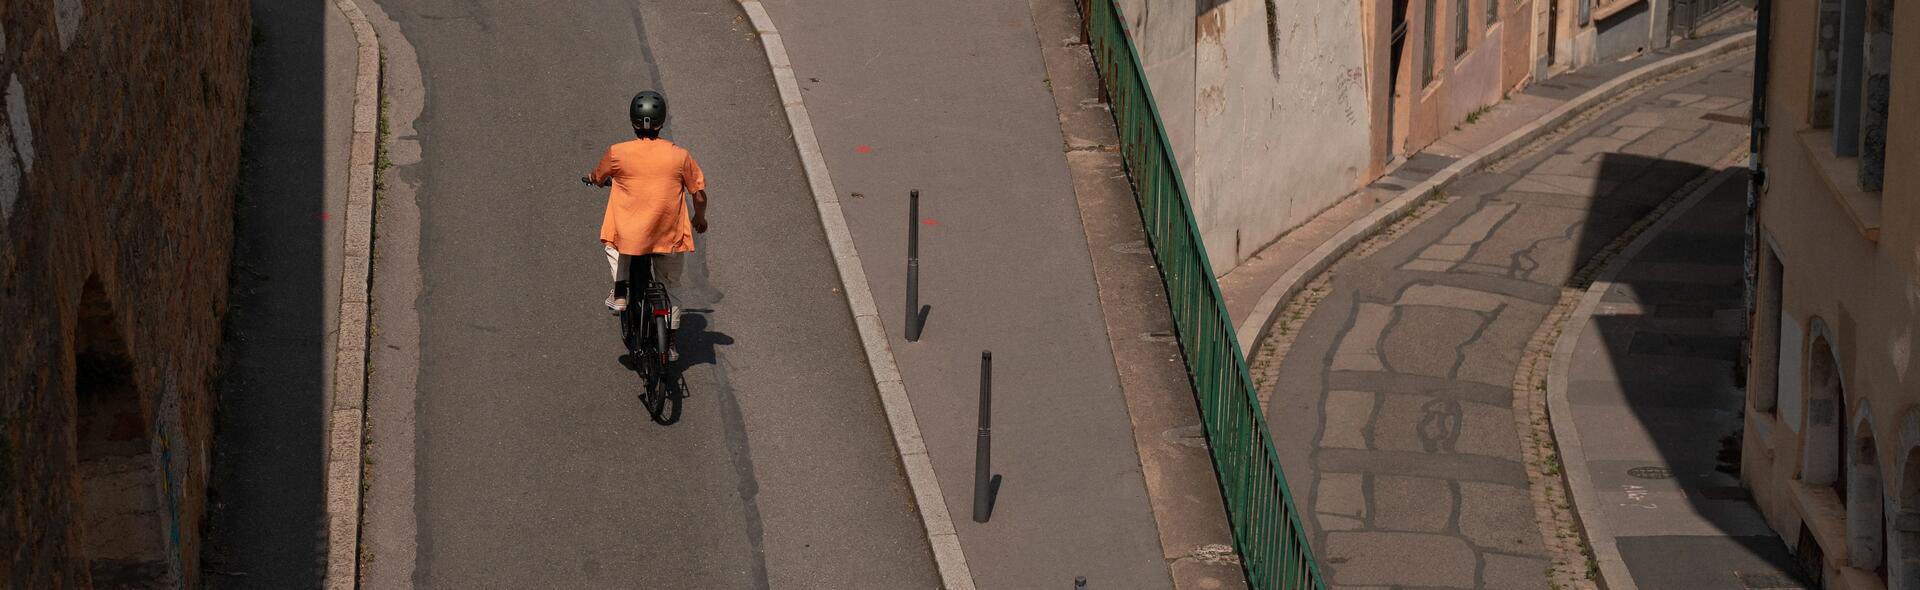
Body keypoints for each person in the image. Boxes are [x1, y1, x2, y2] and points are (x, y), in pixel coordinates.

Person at [582, 90, 708, 348]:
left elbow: (598, 175)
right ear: (662, 122)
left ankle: (620, 293)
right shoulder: (679, 156)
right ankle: (670, 341)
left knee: (614, 245)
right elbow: (699, 195)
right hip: (669, 237)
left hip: (632, 238)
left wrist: (594, 179)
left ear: (633, 121)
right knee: (670, 286)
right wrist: (699, 219)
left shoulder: (618, 152)